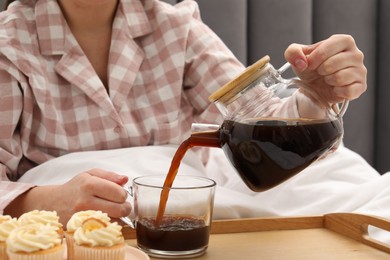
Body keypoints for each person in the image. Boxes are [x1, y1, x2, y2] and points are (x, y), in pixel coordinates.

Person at [0, 0, 367, 225]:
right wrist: (46, 202)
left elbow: (264, 116)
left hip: (187, 215)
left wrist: (316, 92)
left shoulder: (177, 28)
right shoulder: (10, 48)